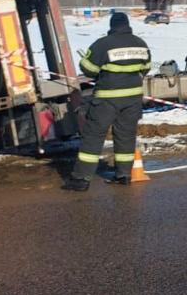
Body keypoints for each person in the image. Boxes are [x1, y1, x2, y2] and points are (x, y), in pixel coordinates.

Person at [64, 12, 151, 191]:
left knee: (93, 137)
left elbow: (88, 69)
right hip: (133, 99)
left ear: (111, 26)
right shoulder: (140, 43)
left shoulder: (103, 44)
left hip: (107, 100)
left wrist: (89, 63)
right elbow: (146, 67)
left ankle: (80, 179)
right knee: (126, 136)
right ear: (127, 25)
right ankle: (124, 175)